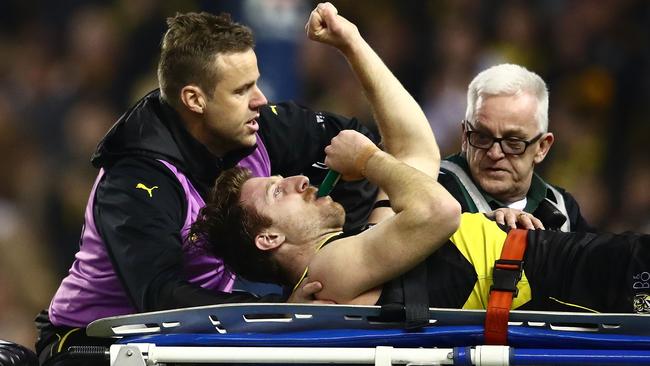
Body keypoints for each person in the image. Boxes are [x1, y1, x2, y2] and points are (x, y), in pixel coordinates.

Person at [192, 5, 649, 319]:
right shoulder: (326, 274)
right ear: (270, 237)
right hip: (557, 284)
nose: (296, 180)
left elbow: (415, 150)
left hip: (551, 266)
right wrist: (368, 159)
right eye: (277, 190)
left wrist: (352, 44)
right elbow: (440, 211)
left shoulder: (359, 248)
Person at [36, 5, 379, 365]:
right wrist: (279, 311)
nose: (260, 99)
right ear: (195, 100)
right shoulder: (135, 179)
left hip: (199, 337)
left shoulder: (255, 127)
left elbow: (356, 145)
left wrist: (352, 247)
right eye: (242, 90)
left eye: (256, 82)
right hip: (92, 344)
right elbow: (159, 297)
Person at [438, 64, 593, 232]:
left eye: (512, 142)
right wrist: (477, 227)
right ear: (465, 136)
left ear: (542, 147)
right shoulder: (435, 189)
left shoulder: (563, 210)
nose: (495, 153)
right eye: (482, 137)